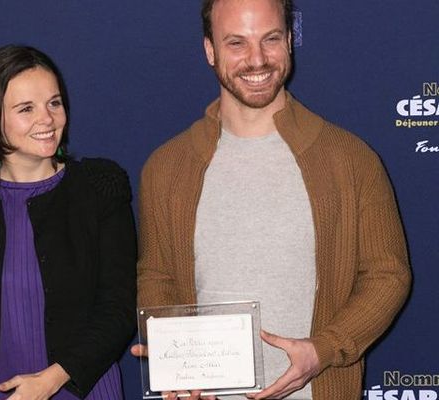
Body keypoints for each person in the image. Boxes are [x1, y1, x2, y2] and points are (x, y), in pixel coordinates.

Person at [133, 0, 411, 399]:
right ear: (209, 50)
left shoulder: (350, 159)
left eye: (271, 39)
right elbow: (156, 277)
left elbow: (388, 274)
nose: (257, 59)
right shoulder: (166, 167)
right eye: (236, 43)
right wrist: (168, 348)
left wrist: (325, 348)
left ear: (290, 42)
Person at [0, 45, 137, 400]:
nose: (48, 119)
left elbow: (118, 309)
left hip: (81, 389)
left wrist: (52, 380)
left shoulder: (99, 189)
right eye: (26, 109)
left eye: (54, 102)